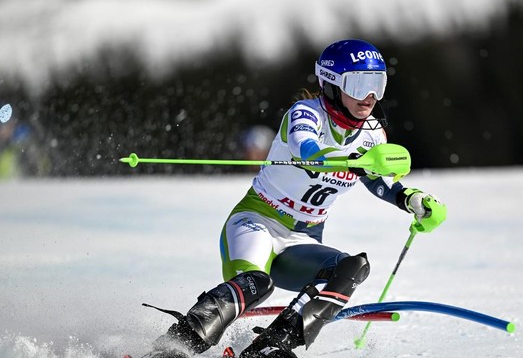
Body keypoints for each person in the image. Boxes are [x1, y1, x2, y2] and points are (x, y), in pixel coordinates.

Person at [144, 39, 446, 358]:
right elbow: (307, 148)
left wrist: (411, 199)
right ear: (331, 84)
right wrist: (348, 159)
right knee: (256, 283)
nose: (369, 96)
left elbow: (377, 179)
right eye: (359, 84)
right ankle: (177, 344)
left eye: (377, 84)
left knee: (352, 267)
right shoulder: (306, 113)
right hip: (257, 222)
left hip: (302, 238)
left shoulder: (373, 133)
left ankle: (273, 345)